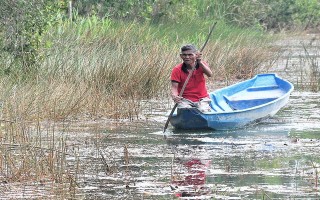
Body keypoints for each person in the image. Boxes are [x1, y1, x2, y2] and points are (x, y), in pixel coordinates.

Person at [171, 44, 213, 113]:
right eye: (184, 55)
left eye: (190, 55)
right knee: (185, 110)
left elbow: (210, 74)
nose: (187, 57)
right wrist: (175, 96)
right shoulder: (177, 69)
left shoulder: (201, 65)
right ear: (181, 56)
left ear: (196, 55)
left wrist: (200, 62)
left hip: (202, 99)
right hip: (185, 100)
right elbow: (174, 88)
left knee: (203, 110)